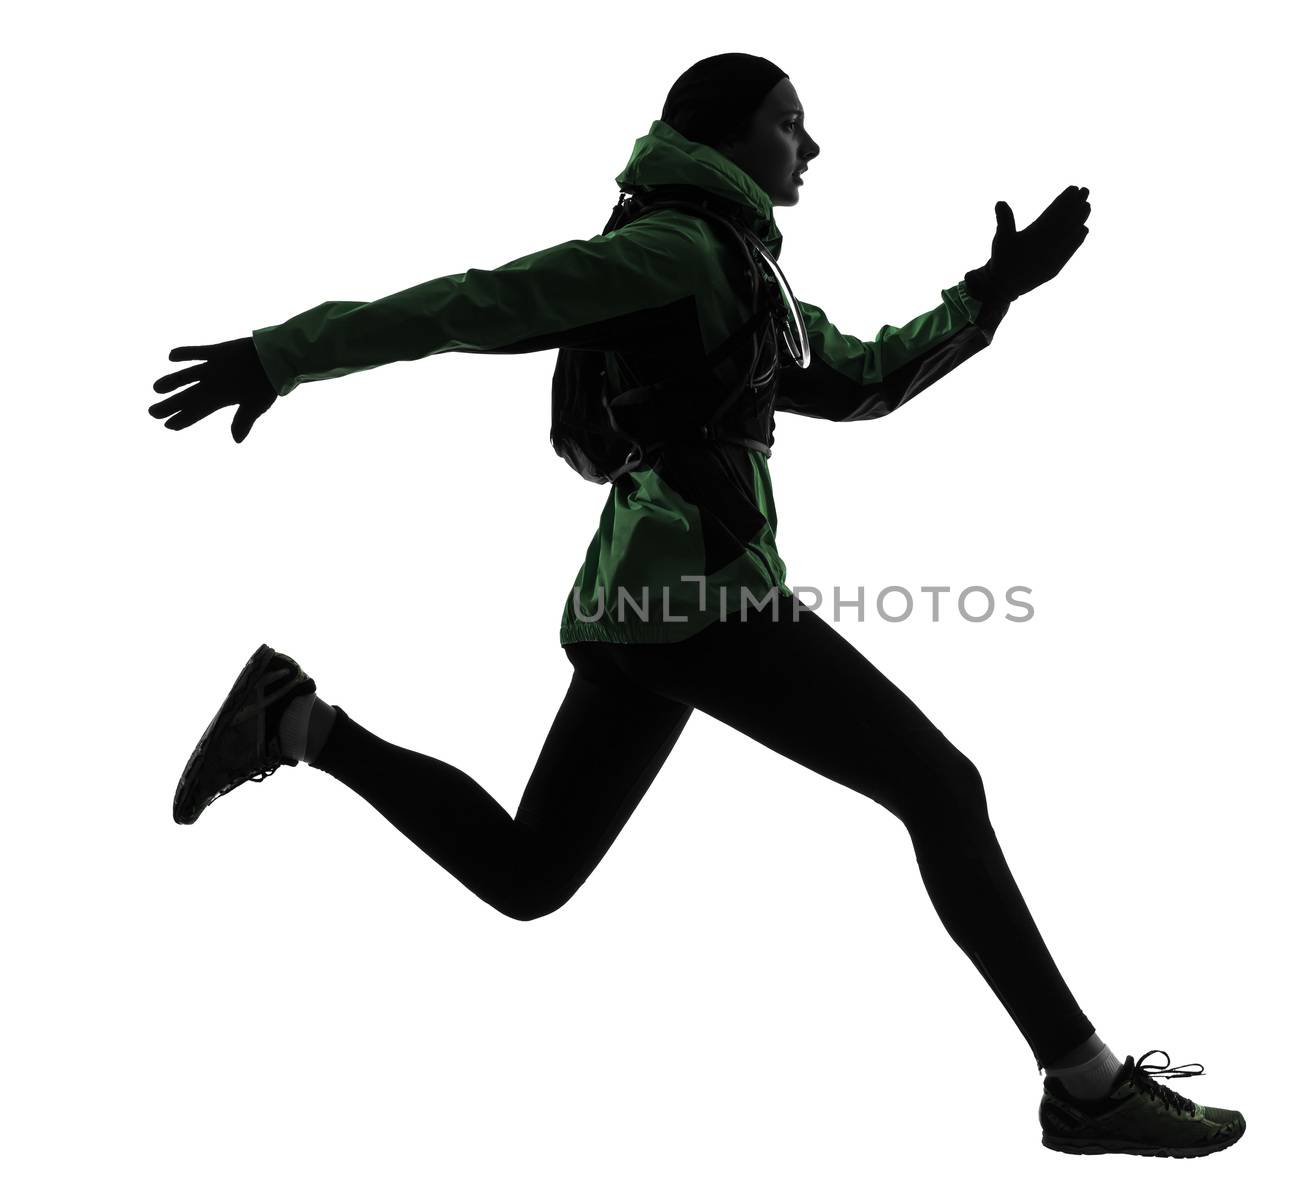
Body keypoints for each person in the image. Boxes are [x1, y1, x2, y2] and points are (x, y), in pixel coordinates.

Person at [149, 53, 1244, 1158]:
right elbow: (473, 305)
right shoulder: (670, 251)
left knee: (530, 876)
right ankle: (1084, 1083)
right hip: (700, 599)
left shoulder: (741, 271)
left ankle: (295, 720)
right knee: (941, 788)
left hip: (644, 609)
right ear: (721, 135)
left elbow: (860, 379)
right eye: (788, 124)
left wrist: (991, 290)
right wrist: (280, 356)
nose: (809, 148)